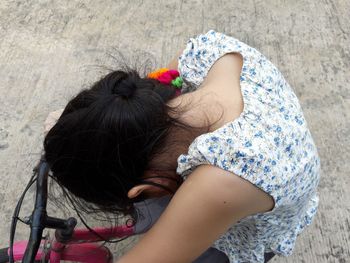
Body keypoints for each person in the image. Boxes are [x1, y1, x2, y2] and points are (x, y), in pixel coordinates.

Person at [43, 30, 320, 262]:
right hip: (277, 153)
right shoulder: (208, 51)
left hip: (253, 211)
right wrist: (89, 122)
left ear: (147, 188)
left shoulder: (223, 180)